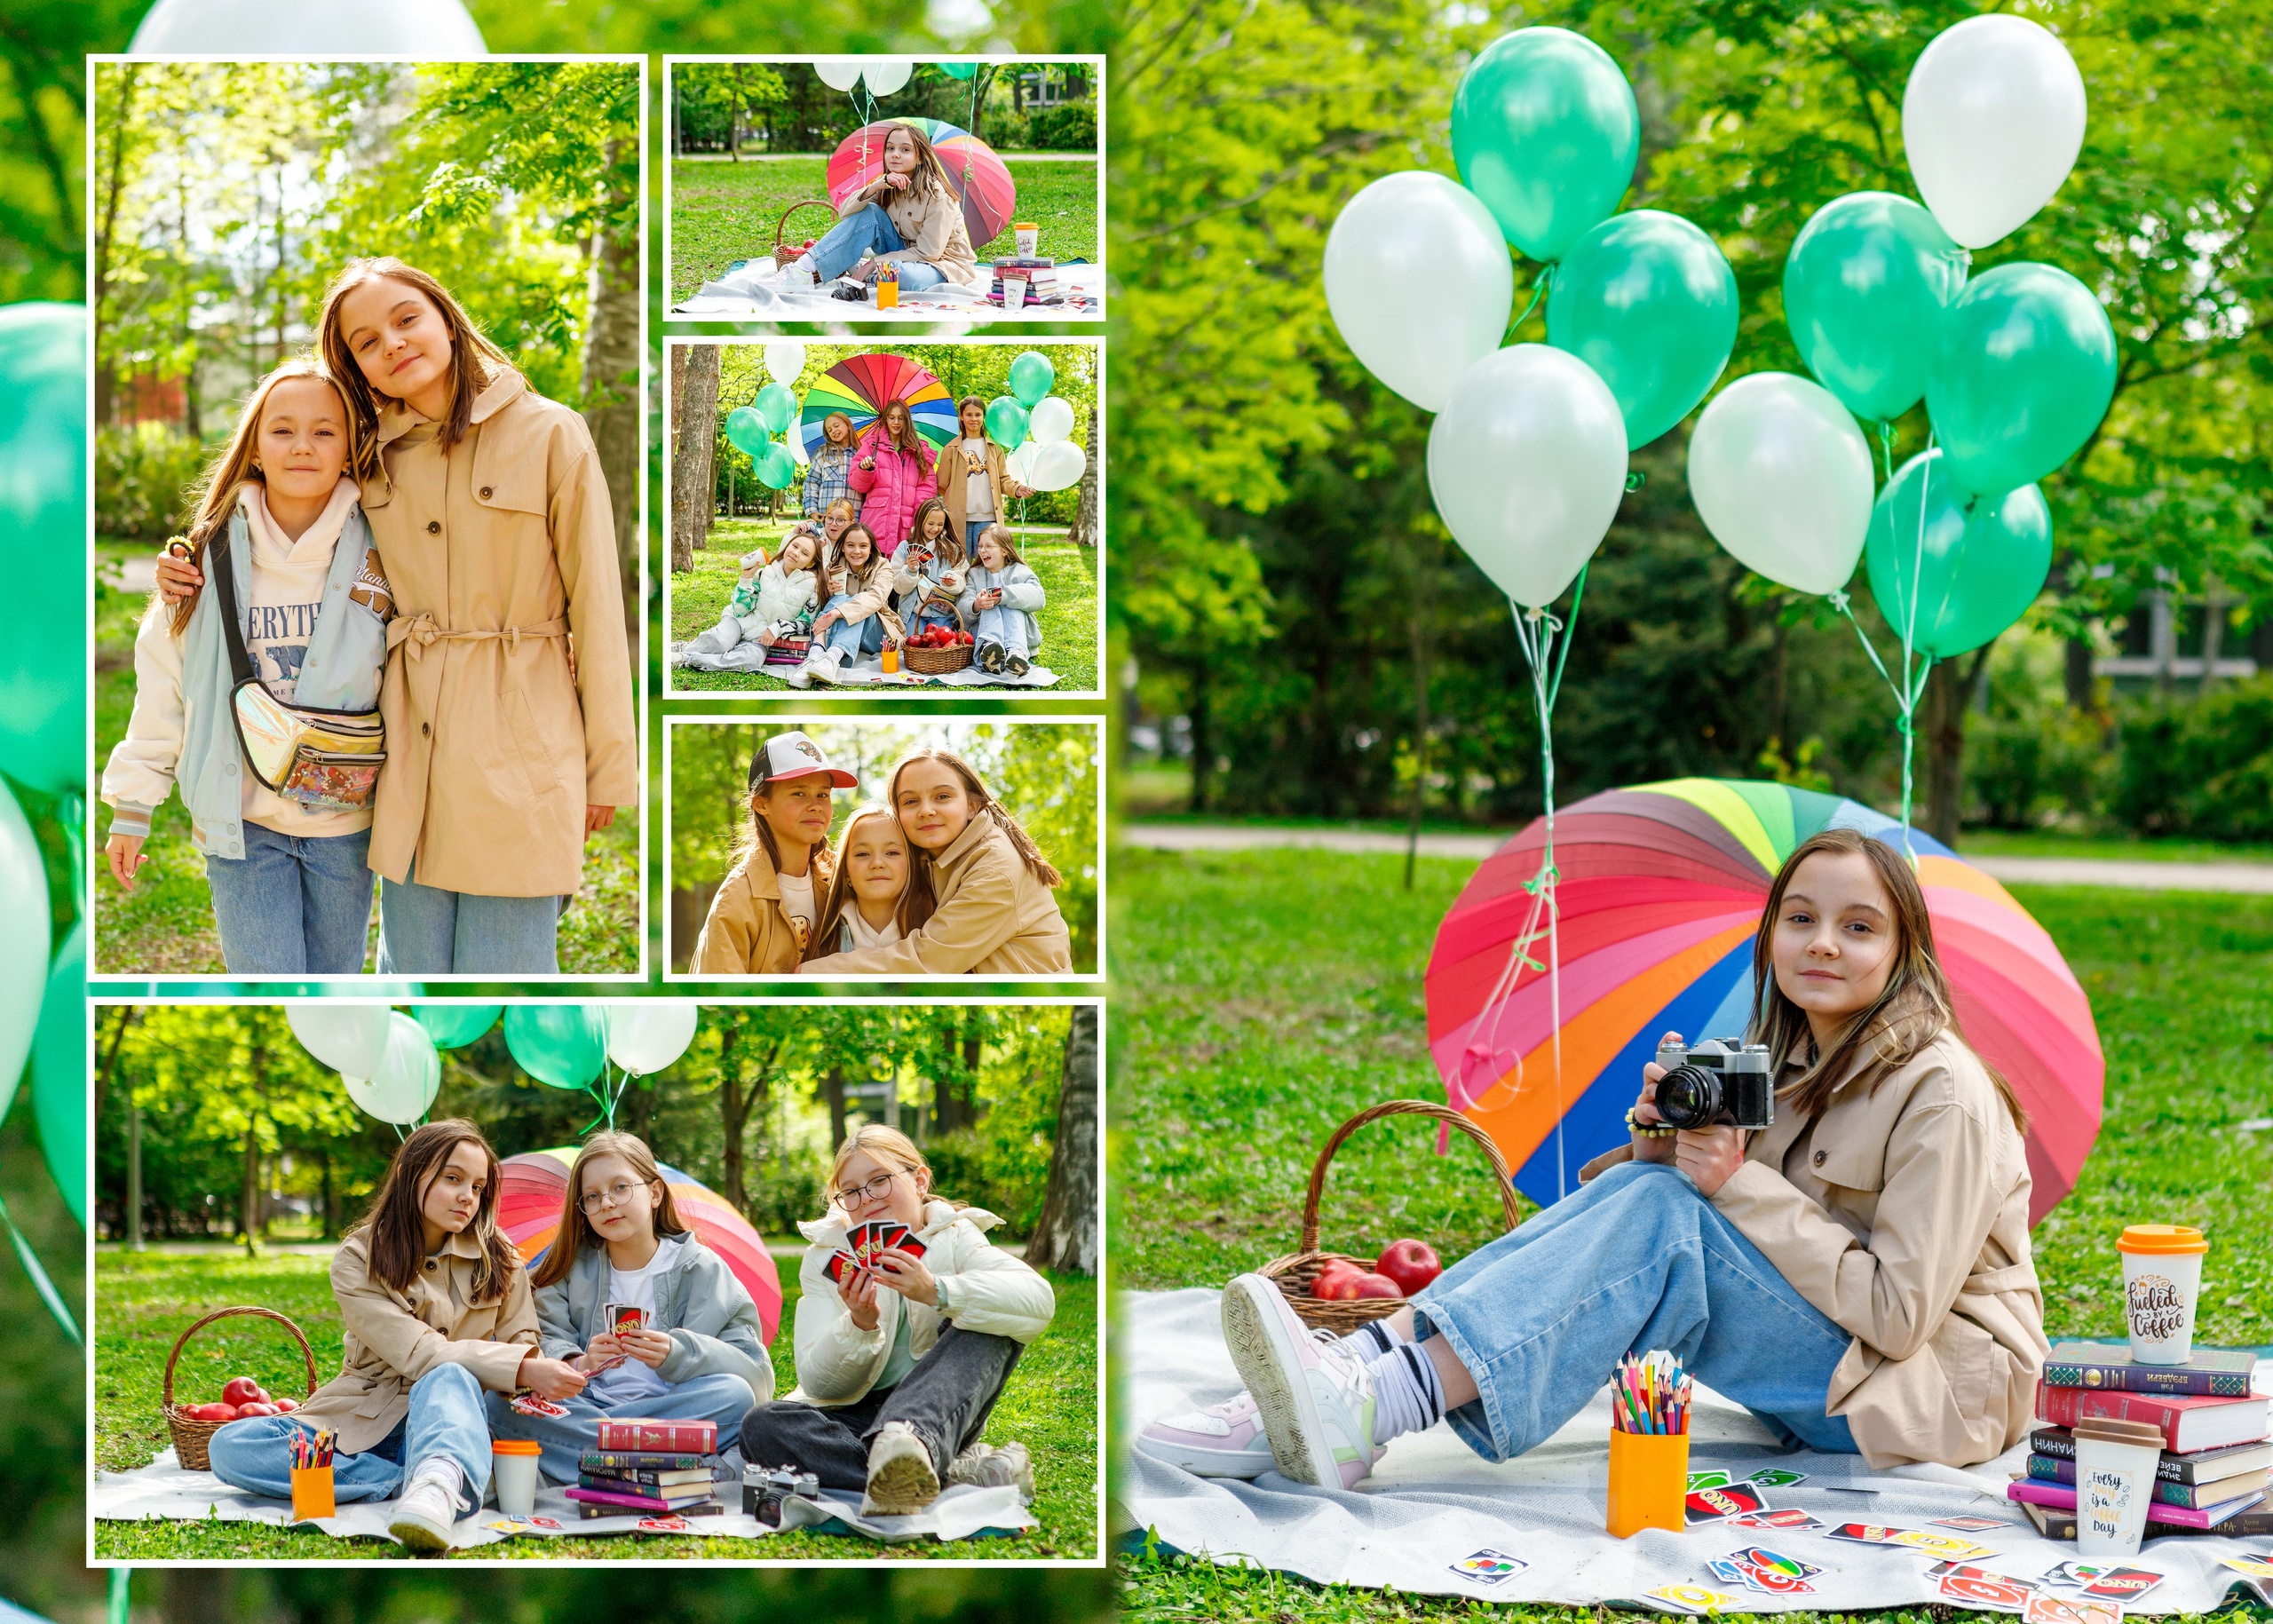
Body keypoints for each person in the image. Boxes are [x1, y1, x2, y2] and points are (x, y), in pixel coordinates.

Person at [1143, 828, 2046, 1485]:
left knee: (1665, 1211)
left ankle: (1379, 1401)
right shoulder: (1788, 1058)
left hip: (1922, 1395)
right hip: (1828, 1364)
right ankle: (1362, 1368)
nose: (1821, 942)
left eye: (1858, 927)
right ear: (1769, 934)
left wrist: (1733, 1181)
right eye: (1800, 916)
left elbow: (1896, 1313)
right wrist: (1659, 1143)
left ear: (1902, 952)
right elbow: (1693, 1219)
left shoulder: (1943, 1092)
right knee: (1655, 1188)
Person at [100, 360, 391, 974]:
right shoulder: (205, 556)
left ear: (350, 449)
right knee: (266, 982)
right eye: (282, 430)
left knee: (334, 983)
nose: (303, 447)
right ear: (255, 447)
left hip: (346, 823)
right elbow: (164, 684)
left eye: (325, 431)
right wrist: (133, 806)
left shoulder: (384, 547)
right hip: (242, 826)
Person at [207, 1121, 578, 1552]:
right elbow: (421, 1352)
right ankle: (427, 1482)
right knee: (232, 1447)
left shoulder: (502, 1260)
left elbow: (521, 1340)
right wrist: (522, 1367)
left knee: (449, 1377)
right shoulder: (359, 1257)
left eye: (478, 1188)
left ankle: (439, 1477)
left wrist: (542, 1366)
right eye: (453, 1179)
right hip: (363, 1420)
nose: (467, 1197)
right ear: (409, 1175)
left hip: (453, 1414)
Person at [738, 1126, 1054, 1515]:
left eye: (880, 1182)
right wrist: (859, 1324)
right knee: (761, 1425)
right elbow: (816, 1381)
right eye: (851, 1192)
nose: (866, 1199)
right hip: (854, 1414)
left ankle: (910, 1447)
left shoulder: (958, 1237)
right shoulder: (825, 1257)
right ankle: (946, 1473)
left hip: (939, 1413)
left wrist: (938, 1291)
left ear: (919, 1180)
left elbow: (1038, 1299)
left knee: (992, 1318)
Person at [491, 1132, 772, 1484]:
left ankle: (595, 1463)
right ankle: (660, 1466)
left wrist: (681, 1352)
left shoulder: (703, 1268)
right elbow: (540, 1340)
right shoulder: (566, 1270)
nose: (607, 1203)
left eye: (620, 1187)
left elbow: (756, 1375)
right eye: (592, 1196)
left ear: (654, 1193)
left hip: (674, 1408)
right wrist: (579, 1363)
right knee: (499, 1404)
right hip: (585, 1407)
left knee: (735, 1397)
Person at [802, 747, 1073, 977]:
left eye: (942, 797)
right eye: (910, 801)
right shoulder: (937, 857)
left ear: (972, 805)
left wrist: (807, 973)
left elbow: (927, 959)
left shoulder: (995, 868)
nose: (926, 810)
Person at [690, 730, 859, 973]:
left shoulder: (843, 879)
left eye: (823, 794)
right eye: (799, 793)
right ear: (761, 804)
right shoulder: (736, 899)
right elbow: (720, 995)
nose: (816, 806)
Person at [780, 123, 984, 297]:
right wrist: (875, 186)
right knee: (869, 212)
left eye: (905, 150)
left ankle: (865, 274)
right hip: (902, 250)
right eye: (890, 148)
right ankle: (802, 269)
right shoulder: (887, 184)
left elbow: (928, 253)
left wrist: (876, 263)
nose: (895, 155)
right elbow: (846, 214)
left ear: (920, 157)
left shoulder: (938, 195)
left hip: (940, 264)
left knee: (905, 277)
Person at [802, 804, 923, 960]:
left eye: (892, 852)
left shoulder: (935, 930)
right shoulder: (822, 938)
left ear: (912, 864)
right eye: (862, 854)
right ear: (845, 872)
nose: (877, 863)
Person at [795, 523, 902, 688]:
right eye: (850, 545)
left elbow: (875, 598)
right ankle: (815, 656)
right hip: (840, 633)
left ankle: (831, 657)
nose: (856, 551)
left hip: (877, 635)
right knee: (840, 597)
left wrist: (838, 612)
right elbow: (821, 605)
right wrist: (828, 593)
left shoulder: (882, 566)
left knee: (859, 600)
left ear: (872, 549)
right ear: (843, 547)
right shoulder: (835, 567)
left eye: (863, 546)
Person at [693, 528, 822, 661]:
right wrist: (746, 579)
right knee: (719, 643)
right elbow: (740, 612)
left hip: (761, 640)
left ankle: (693, 660)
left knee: (751, 659)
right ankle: (682, 654)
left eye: (804, 553)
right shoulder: (765, 573)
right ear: (787, 546)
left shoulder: (813, 587)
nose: (796, 553)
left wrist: (777, 628)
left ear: (811, 563)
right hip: (739, 623)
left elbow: (805, 624)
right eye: (794, 546)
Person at [844, 400, 937, 558]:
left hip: (906, 526)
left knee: (902, 573)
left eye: (900, 418)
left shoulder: (919, 451)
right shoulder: (871, 446)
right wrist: (865, 471)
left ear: (907, 420)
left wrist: (919, 520)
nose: (896, 422)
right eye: (892, 417)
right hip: (877, 522)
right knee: (874, 573)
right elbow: (856, 483)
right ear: (885, 419)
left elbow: (926, 489)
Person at [940, 395, 1030, 552]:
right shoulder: (951, 448)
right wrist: (954, 502)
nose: (973, 419)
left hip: (989, 520)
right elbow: (941, 483)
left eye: (978, 415)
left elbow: (1003, 479)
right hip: (959, 520)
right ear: (961, 417)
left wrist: (1016, 489)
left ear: (983, 417)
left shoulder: (994, 447)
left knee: (989, 566)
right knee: (960, 566)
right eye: (969, 415)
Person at [957, 526, 1048, 679]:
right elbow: (962, 608)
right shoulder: (974, 573)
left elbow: (1039, 598)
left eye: (988, 546)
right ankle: (990, 650)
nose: (982, 550)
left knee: (1011, 603)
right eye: (980, 546)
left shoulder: (1021, 571)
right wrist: (977, 604)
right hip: (984, 631)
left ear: (1004, 551)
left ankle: (1016, 653)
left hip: (1017, 631)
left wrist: (1004, 596)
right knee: (988, 602)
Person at [891, 499, 966, 642]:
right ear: (920, 521)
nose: (935, 529)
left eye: (940, 524)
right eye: (930, 524)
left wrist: (953, 581)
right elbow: (898, 588)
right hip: (912, 614)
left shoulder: (952, 549)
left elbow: (962, 580)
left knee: (939, 646)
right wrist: (910, 571)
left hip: (942, 614)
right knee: (913, 646)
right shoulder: (904, 548)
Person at [802, 412, 862, 528]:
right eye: (829, 430)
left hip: (852, 519)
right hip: (827, 519)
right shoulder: (823, 455)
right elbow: (811, 483)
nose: (833, 430)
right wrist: (812, 510)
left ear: (848, 425)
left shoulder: (860, 456)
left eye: (836, 425)